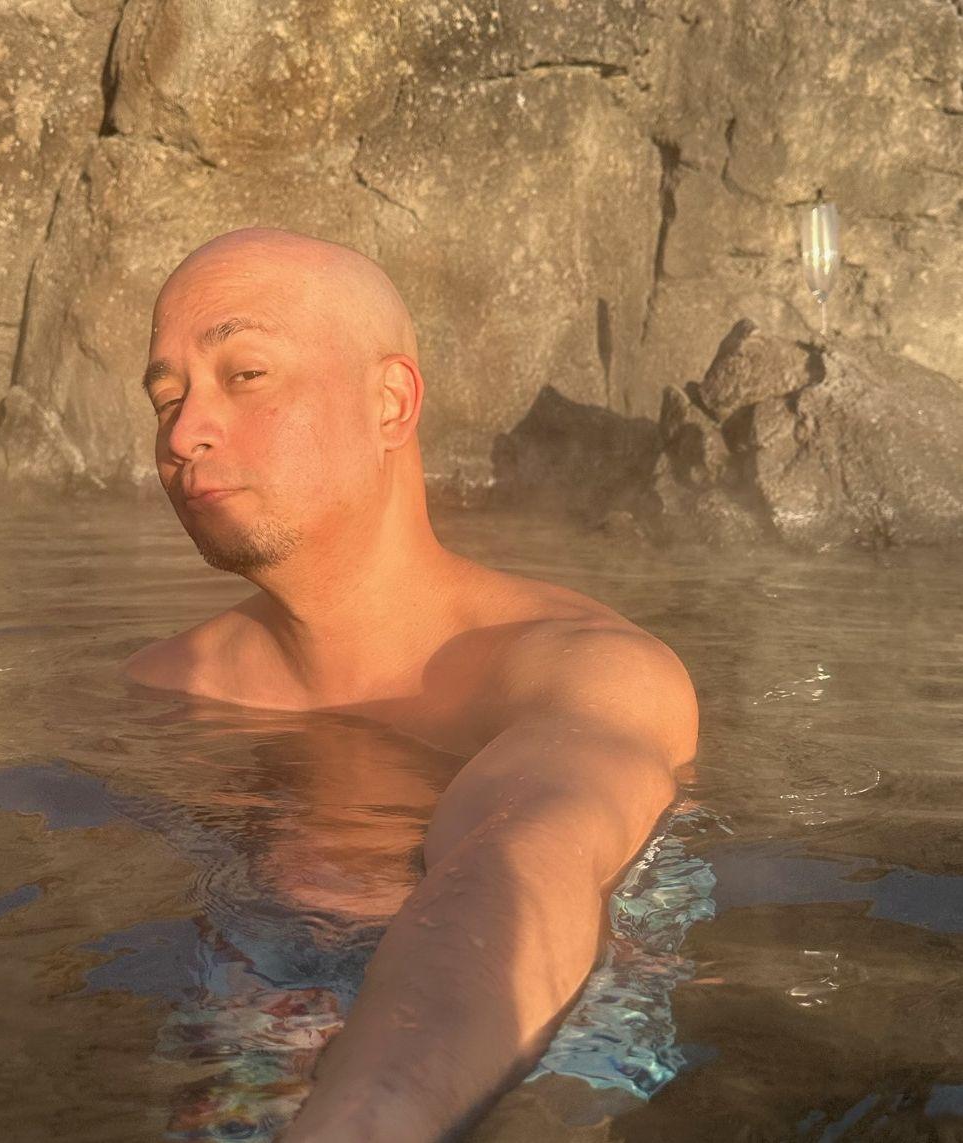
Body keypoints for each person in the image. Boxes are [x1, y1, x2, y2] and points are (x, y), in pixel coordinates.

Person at [124, 226, 700, 1141]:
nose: (185, 432)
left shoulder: (581, 670)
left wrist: (366, 1122)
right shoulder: (164, 684)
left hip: (530, 1058)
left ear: (389, 402)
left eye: (246, 375)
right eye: (167, 398)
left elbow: (528, 855)